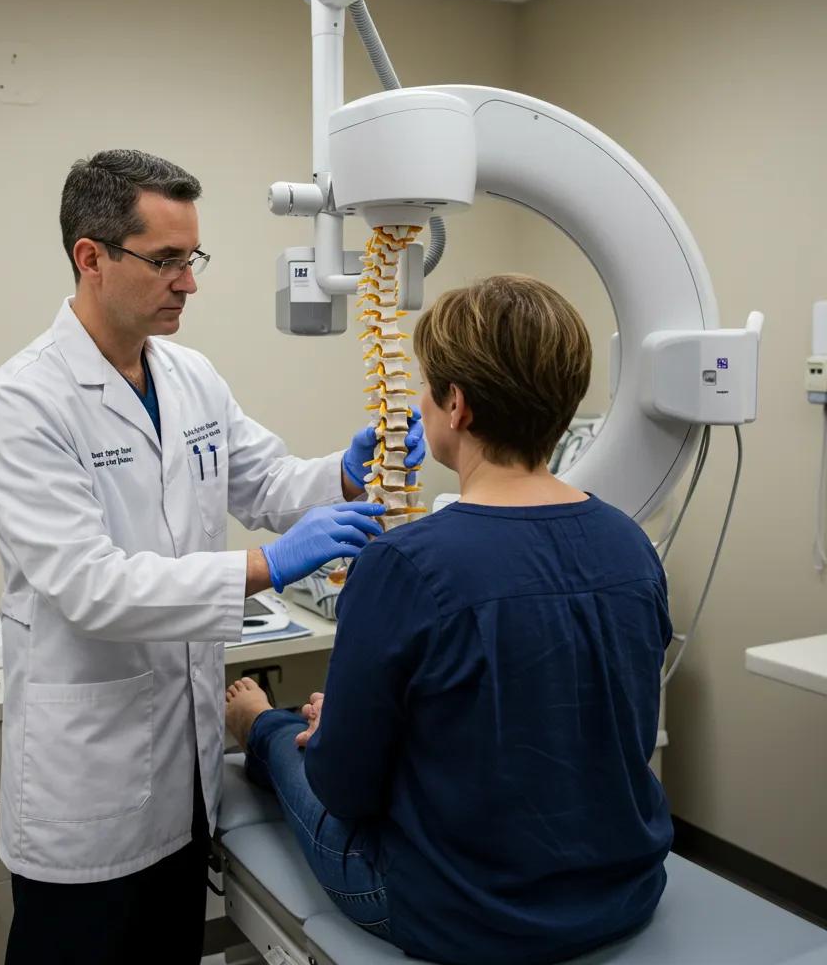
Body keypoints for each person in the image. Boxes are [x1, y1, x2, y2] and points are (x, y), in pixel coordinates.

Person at [0, 149, 425, 965]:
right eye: (166, 261)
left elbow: (268, 482)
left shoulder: (191, 377)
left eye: (193, 258)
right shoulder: (24, 402)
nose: (188, 282)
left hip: (186, 779)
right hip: (88, 793)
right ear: (91, 257)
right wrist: (268, 567)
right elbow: (91, 587)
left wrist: (347, 472)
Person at [226, 274, 673, 965]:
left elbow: (344, 791)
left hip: (457, 914)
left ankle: (257, 724)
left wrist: (329, 730)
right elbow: (610, 733)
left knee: (290, 737)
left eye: (429, 388)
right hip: (622, 890)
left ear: (456, 406)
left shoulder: (407, 563)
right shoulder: (630, 543)